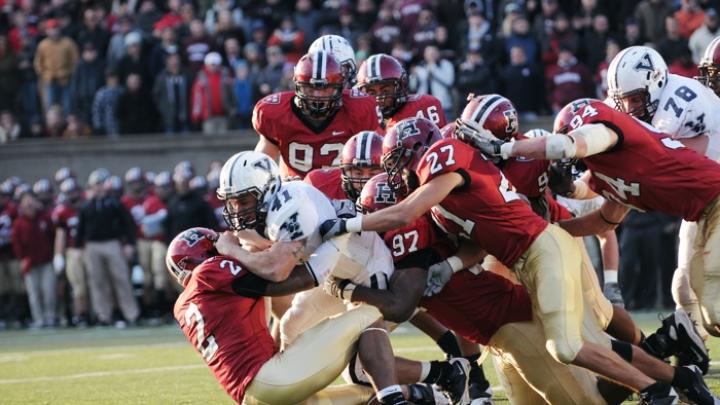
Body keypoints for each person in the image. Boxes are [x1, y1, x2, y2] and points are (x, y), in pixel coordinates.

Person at [319, 116, 680, 402]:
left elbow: (401, 300)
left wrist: (345, 286)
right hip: (508, 314)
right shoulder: (441, 208)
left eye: (396, 162)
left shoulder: (420, 204)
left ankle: (657, 385)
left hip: (514, 308)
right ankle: (679, 374)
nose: (396, 174)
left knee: (580, 370)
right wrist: (453, 264)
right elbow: (477, 242)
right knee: (592, 347)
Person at [214, 151, 469, 404]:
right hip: (328, 268)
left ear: (267, 191)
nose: (237, 209)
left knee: (359, 369)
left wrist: (233, 255)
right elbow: (266, 264)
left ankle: (437, 378)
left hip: (363, 263)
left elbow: (278, 272)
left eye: (244, 200)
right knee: (291, 327)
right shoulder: (259, 215)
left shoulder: (291, 208)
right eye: (232, 201)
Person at [481, 98, 720, 345]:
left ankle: (679, 346)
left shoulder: (610, 131)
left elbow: (567, 146)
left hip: (716, 199)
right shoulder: (608, 173)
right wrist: (551, 227)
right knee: (700, 307)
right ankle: (681, 346)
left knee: (715, 305)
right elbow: (604, 221)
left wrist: (504, 148)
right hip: (703, 216)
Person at [168, 227, 418, 405]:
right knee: (370, 310)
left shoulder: (183, 305)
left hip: (251, 398)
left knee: (365, 397)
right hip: (273, 379)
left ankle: (427, 393)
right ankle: (398, 398)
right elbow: (278, 276)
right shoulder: (210, 272)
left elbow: (270, 309)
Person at [605, 46, 720, 342]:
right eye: (624, 101)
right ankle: (693, 356)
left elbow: (668, 164)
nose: (629, 108)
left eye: (635, 100)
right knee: (684, 287)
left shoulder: (683, 104)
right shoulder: (645, 100)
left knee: (714, 296)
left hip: (712, 196)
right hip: (703, 203)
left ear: (655, 84)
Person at [252, 50, 380, 179]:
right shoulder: (276, 113)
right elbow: (260, 166)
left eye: (325, 89)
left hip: (344, 192)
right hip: (296, 192)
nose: (318, 96)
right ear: (297, 86)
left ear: (340, 87)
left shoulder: (359, 109)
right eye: (310, 88)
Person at [76, 168, 139, 326]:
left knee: (121, 279)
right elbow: (80, 229)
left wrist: (129, 244)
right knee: (97, 282)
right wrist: (78, 248)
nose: (99, 187)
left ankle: (131, 314)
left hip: (112, 243)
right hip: (92, 245)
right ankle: (103, 315)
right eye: (96, 184)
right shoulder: (87, 206)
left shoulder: (115, 203)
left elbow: (129, 224)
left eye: (102, 183)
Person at [356, 53, 446, 132]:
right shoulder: (363, 124)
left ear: (401, 86)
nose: (379, 97)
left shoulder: (423, 106)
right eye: (372, 93)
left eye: (385, 90)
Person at [12, 191, 56, 328]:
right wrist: (22, 259)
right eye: (26, 201)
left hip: (46, 261)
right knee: (34, 293)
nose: (29, 204)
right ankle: (39, 319)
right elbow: (17, 243)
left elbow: (53, 236)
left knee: (49, 290)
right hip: (30, 263)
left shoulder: (45, 218)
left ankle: (51, 317)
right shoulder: (19, 223)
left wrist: (54, 255)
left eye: (31, 201)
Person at [52, 178, 88, 326]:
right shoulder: (62, 212)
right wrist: (59, 255)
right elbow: (61, 235)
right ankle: (81, 314)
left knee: (93, 284)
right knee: (78, 285)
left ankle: (96, 314)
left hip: (88, 248)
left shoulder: (87, 207)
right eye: (69, 193)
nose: (72, 196)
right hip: (72, 251)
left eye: (74, 192)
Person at [33, 18, 79, 117]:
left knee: (68, 106)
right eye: (50, 29)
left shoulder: (68, 43)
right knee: (49, 106)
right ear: (47, 31)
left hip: (65, 79)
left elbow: (76, 61)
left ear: (59, 29)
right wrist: (43, 74)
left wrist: (70, 72)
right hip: (49, 80)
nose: (53, 31)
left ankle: (67, 129)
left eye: (55, 28)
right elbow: (37, 63)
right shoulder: (43, 45)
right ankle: (51, 129)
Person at [190, 52, 234, 135]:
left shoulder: (226, 76)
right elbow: (196, 98)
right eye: (211, 64)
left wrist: (232, 109)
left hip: (223, 115)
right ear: (206, 65)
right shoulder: (201, 78)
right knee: (209, 142)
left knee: (224, 141)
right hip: (208, 117)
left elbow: (233, 94)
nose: (214, 66)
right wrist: (196, 114)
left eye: (216, 64)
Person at [410, 45, 455, 121]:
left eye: (433, 53)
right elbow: (412, 87)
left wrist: (433, 68)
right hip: (424, 106)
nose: (431, 56)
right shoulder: (421, 66)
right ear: (424, 55)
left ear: (438, 53)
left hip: (442, 105)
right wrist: (414, 76)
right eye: (429, 54)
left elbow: (449, 81)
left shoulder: (446, 64)